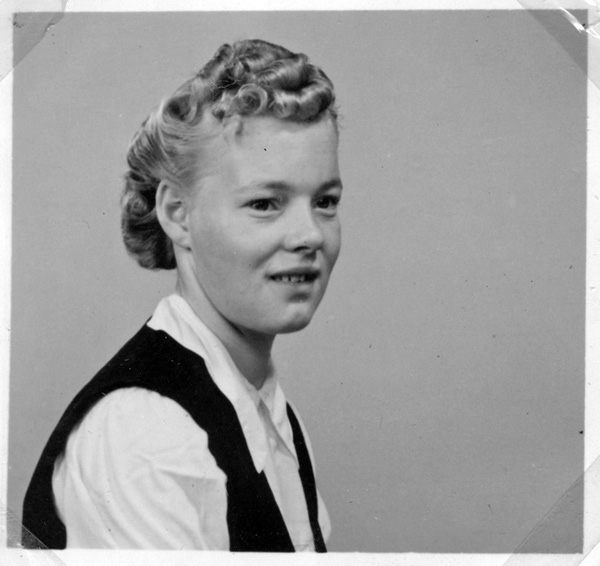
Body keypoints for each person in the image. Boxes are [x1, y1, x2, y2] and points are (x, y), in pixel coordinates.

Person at [21, 39, 342, 552]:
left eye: (325, 201)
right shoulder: (145, 434)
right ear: (177, 214)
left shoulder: (268, 412)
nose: (310, 235)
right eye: (265, 203)